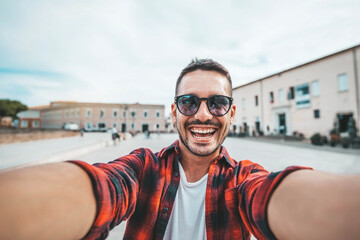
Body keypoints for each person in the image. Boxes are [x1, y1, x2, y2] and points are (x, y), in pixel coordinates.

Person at [0, 59, 359, 240]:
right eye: (188, 102)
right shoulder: (143, 168)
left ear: (231, 114)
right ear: (173, 111)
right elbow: (105, 186)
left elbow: (271, 197)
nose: (203, 114)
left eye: (217, 103)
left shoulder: (243, 178)